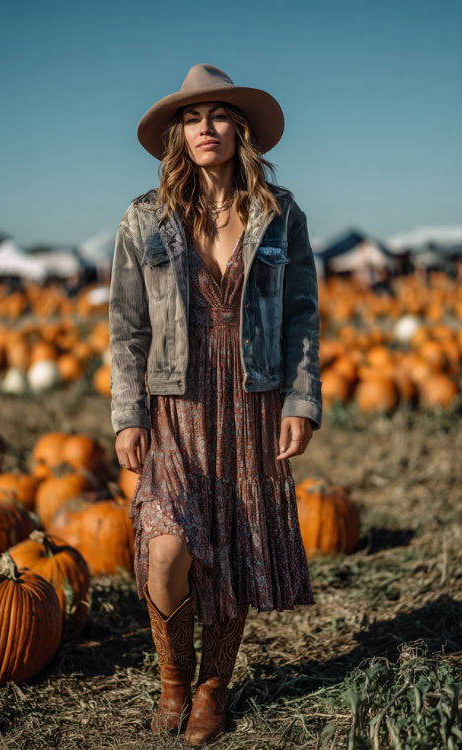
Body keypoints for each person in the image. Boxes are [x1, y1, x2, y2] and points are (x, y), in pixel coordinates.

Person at [109, 63, 322, 746]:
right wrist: (128, 414)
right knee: (167, 549)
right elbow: (127, 326)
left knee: (231, 550)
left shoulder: (279, 212)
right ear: (179, 133)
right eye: (193, 118)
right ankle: (174, 680)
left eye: (220, 115)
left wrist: (301, 398)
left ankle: (211, 689)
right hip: (177, 403)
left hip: (252, 399)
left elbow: (303, 317)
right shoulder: (145, 217)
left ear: (241, 130)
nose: (207, 128)